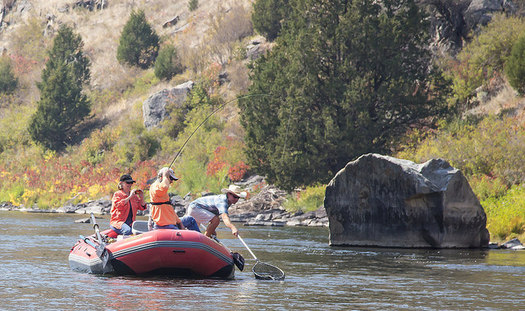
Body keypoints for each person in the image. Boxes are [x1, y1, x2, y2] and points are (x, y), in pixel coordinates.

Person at [149, 167, 199, 231]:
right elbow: (164, 187)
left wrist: (180, 223)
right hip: (164, 225)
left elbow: (170, 211)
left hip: (171, 222)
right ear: (161, 177)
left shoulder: (164, 194)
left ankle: (201, 240)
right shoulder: (155, 187)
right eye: (170, 178)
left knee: (190, 220)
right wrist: (165, 175)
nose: (172, 181)